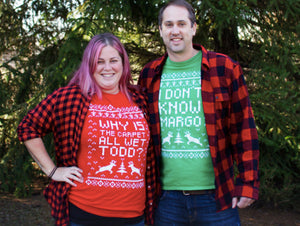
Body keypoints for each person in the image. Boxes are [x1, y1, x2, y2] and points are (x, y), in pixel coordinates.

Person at [138, 0, 260, 225]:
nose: (175, 30)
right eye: (169, 24)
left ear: (193, 28)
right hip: (165, 199)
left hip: (216, 197)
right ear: (161, 30)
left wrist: (248, 182)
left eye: (182, 24)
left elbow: (243, 128)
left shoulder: (224, 68)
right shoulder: (149, 74)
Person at [17, 33, 157, 226]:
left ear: (123, 63)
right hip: (84, 215)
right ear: (89, 65)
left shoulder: (140, 99)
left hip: (134, 217)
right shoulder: (71, 97)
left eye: (113, 60)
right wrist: (52, 171)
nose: (107, 68)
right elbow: (28, 127)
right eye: (99, 62)